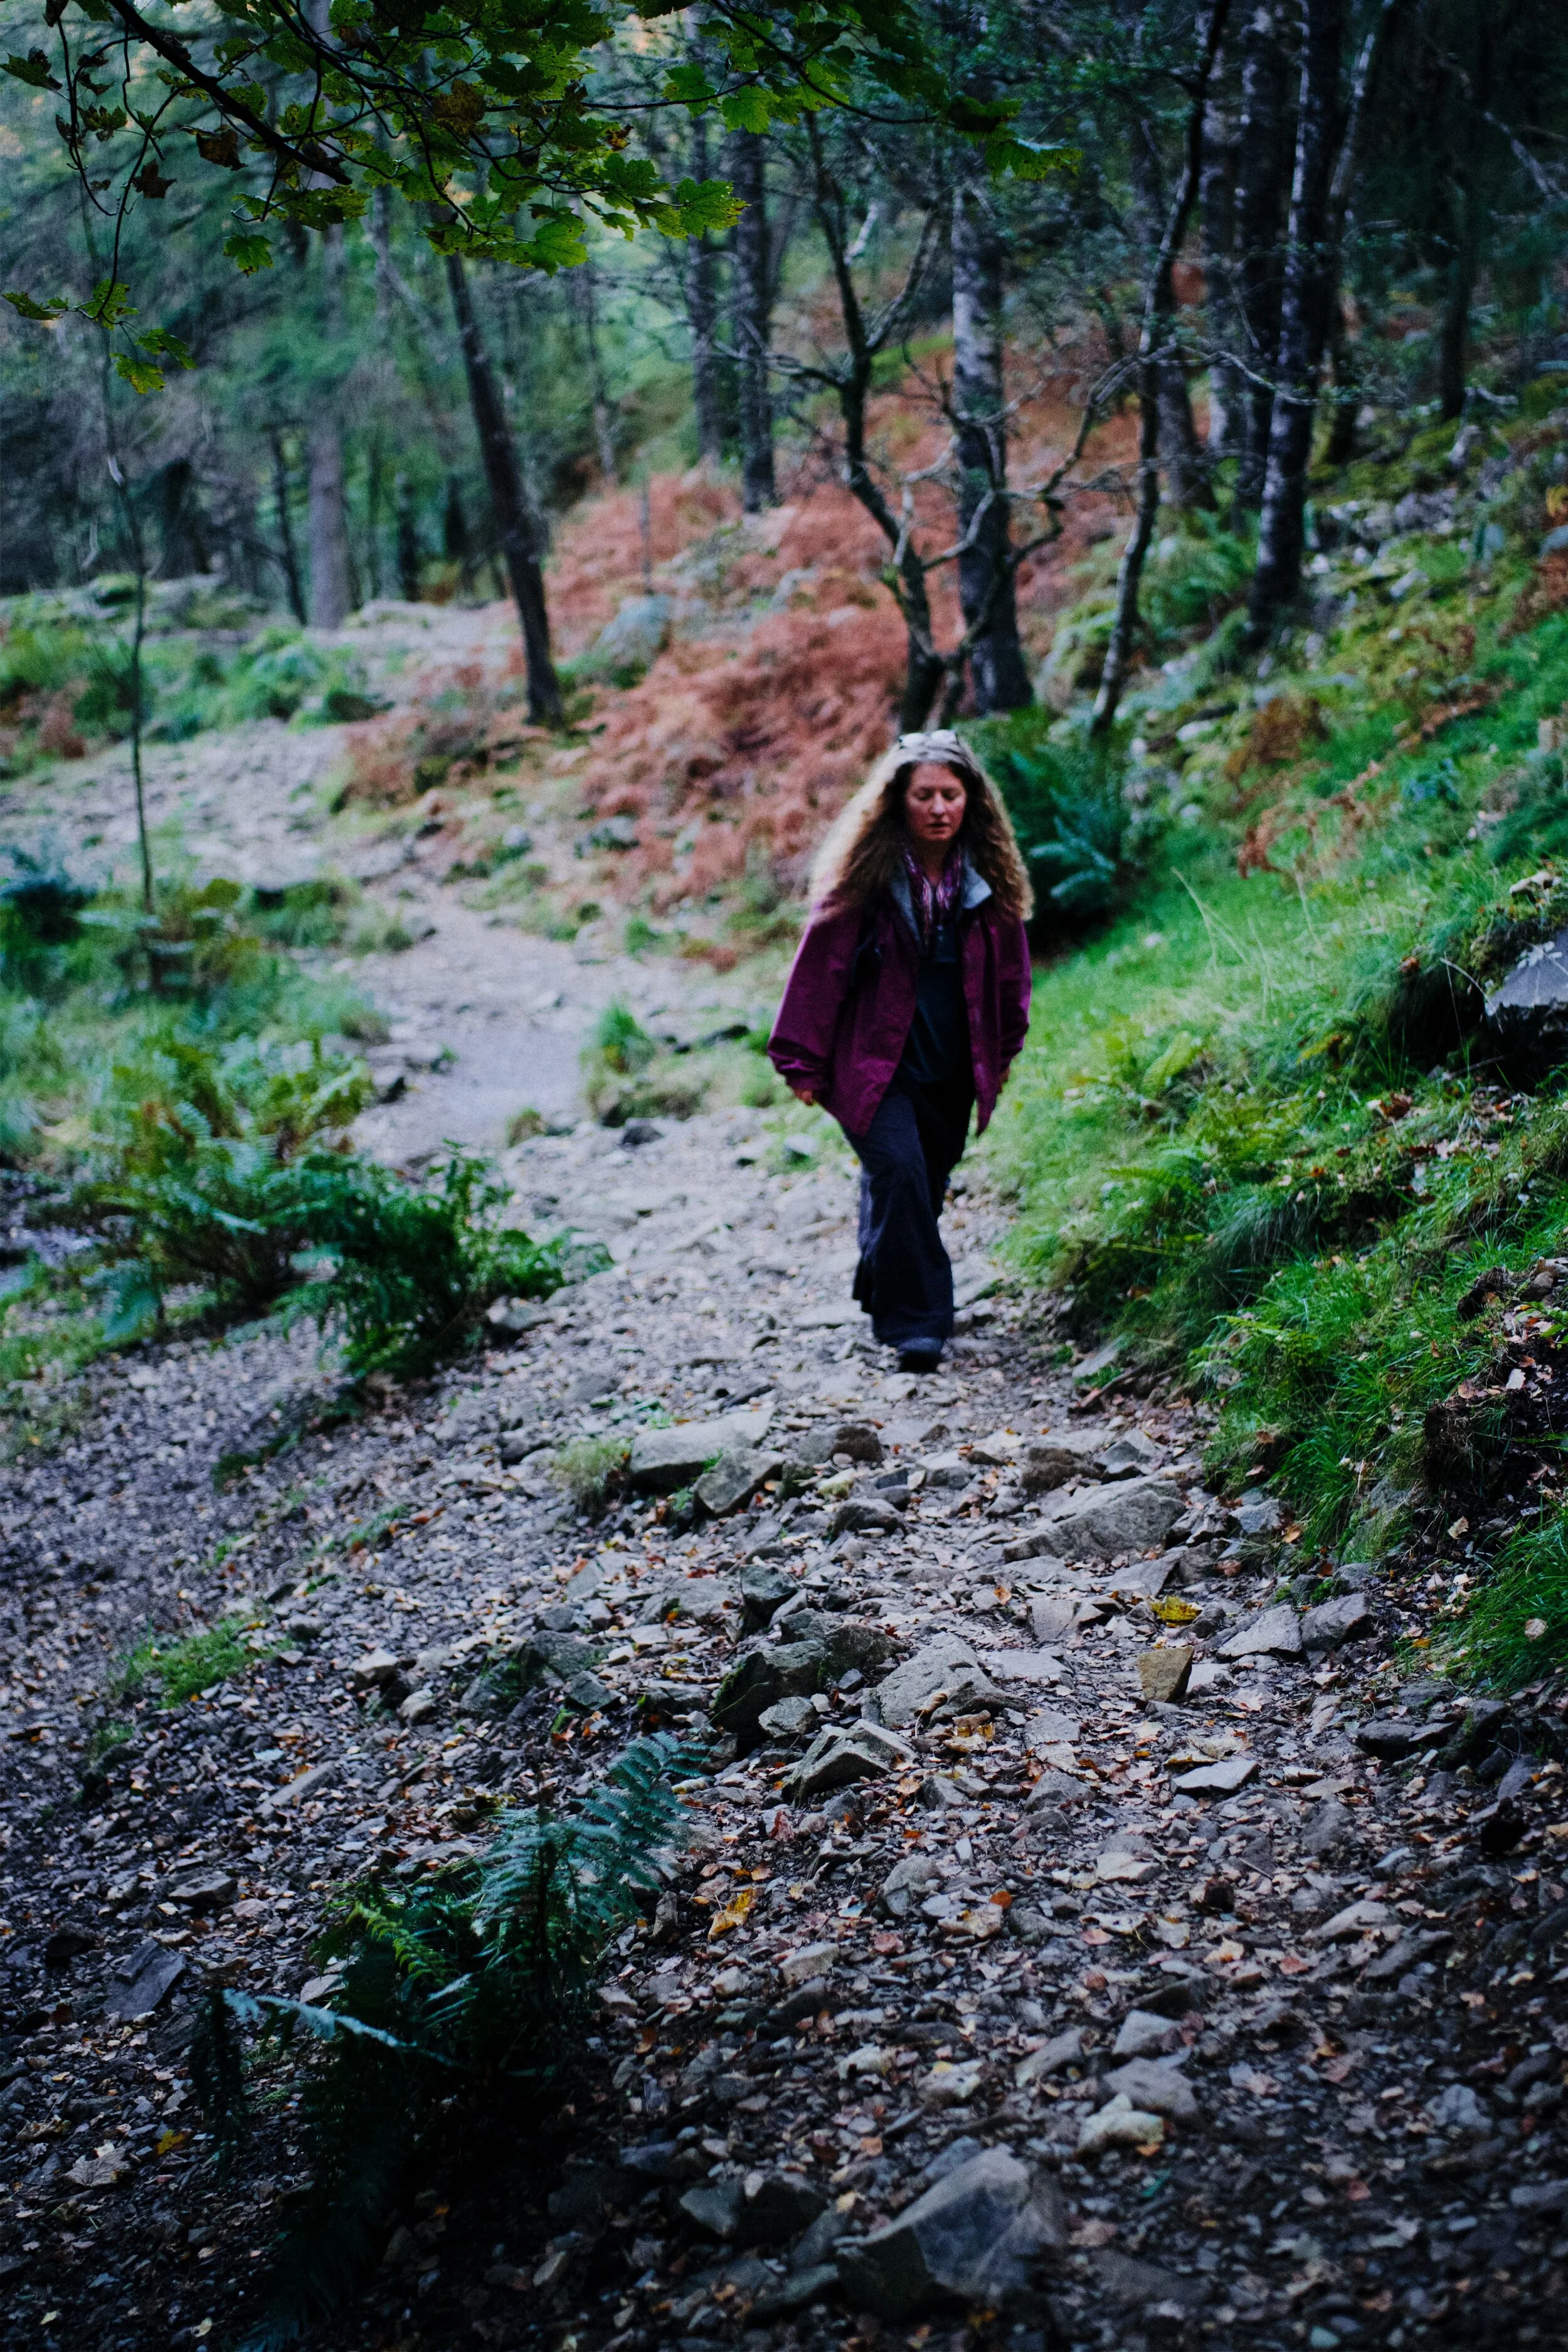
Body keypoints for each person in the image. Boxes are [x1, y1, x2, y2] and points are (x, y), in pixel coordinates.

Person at [767, 729, 1032, 1373]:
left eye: (950, 794)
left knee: (921, 1183)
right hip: (873, 1070)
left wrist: (1001, 1053)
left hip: (951, 1072)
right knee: (903, 1174)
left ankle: (881, 1276)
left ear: (970, 799)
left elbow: (1011, 980)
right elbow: (820, 969)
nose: (939, 808)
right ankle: (918, 1328)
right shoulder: (866, 882)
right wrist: (799, 1060)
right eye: (924, 796)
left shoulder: (989, 885)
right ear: (897, 802)